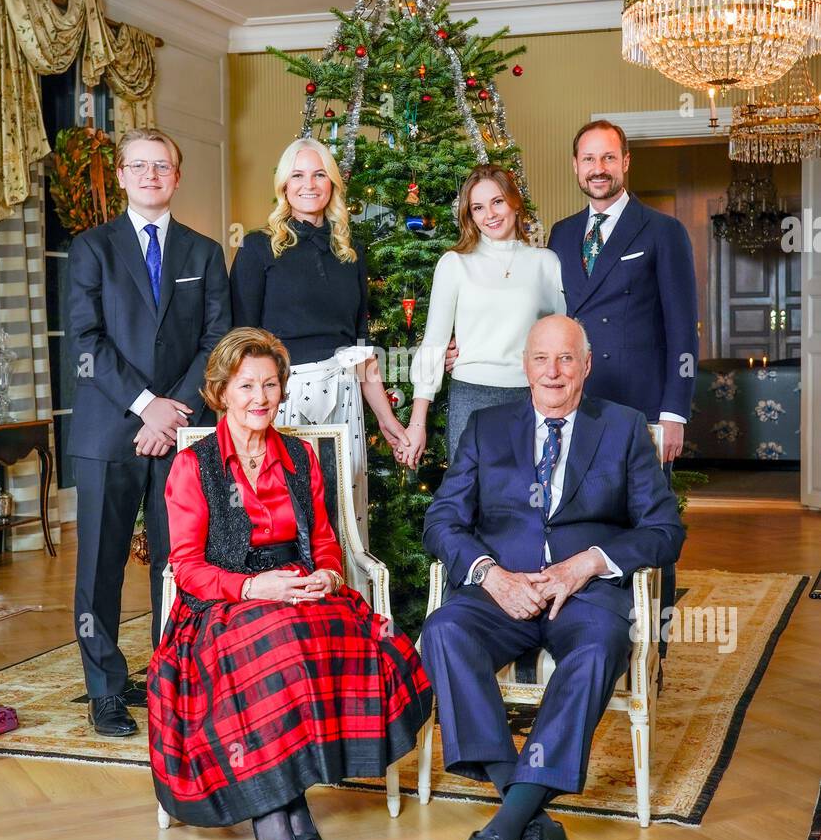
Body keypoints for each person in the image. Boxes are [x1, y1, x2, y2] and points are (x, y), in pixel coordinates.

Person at [421, 314, 684, 840]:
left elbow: (665, 530)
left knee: (597, 650)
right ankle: (532, 824)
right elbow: (443, 520)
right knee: (444, 630)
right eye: (542, 359)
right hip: (502, 591)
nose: (554, 371)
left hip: (584, 594)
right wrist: (490, 574)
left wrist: (589, 562)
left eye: (566, 359)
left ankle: (500, 837)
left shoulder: (620, 429)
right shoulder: (488, 429)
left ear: (586, 366)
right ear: (526, 366)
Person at [147, 327, 433, 840]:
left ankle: (282, 799)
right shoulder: (196, 465)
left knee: (337, 635)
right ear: (222, 391)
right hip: (222, 600)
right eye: (247, 386)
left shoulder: (299, 457)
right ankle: (280, 810)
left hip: (298, 585)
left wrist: (325, 576)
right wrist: (256, 587)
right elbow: (186, 567)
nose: (260, 398)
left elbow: (325, 542)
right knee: (274, 642)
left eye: (270, 385)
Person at [67, 127, 231, 738]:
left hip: (184, 432)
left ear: (177, 175)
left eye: (161, 165)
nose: (150, 175)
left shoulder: (205, 252)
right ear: (122, 176)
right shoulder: (93, 249)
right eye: (138, 166)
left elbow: (218, 340)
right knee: (100, 566)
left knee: (179, 559)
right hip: (110, 429)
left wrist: (175, 411)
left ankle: (172, 672)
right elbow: (85, 345)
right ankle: (105, 688)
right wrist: (145, 406)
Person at [547, 120, 699, 664]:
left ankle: (651, 650)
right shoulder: (561, 235)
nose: (598, 169)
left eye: (608, 158)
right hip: (575, 404)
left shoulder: (661, 231)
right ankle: (589, 637)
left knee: (647, 522)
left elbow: (683, 329)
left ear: (626, 162)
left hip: (640, 409)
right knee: (580, 516)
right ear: (575, 166)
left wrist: (674, 412)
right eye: (588, 159)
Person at [229, 138, 411, 547]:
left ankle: (344, 603)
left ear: (332, 183)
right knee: (284, 514)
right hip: (280, 398)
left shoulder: (351, 251)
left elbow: (361, 347)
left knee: (341, 510)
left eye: (318, 174)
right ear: (283, 185)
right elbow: (241, 344)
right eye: (297, 175)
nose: (308, 184)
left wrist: (386, 418)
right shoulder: (258, 247)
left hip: (344, 399)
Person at [406, 164, 565, 466]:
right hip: (470, 397)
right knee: (470, 501)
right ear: (470, 215)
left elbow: (563, 339)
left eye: (497, 202)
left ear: (515, 203)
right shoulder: (454, 264)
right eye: (478, 207)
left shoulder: (546, 263)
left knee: (528, 499)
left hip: (529, 398)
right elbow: (434, 344)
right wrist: (417, 422)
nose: (489, 215)